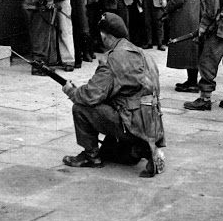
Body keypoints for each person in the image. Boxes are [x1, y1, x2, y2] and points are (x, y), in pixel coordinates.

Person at [61, 12, 166, 177]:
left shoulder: (113, 59)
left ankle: (91, 157)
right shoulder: (143, 54)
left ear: (104, 36)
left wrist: (71, 91)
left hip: (132, 124)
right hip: (152, 121)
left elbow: (91, 95)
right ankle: (141, 148)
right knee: (115, 152)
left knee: (80, 107)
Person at [165, 0, 208, 91]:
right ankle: (193, 79)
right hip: (201, 8)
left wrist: (167, 10)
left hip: (187, 10)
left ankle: (192, 82)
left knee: (187, 44)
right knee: (197, 45)